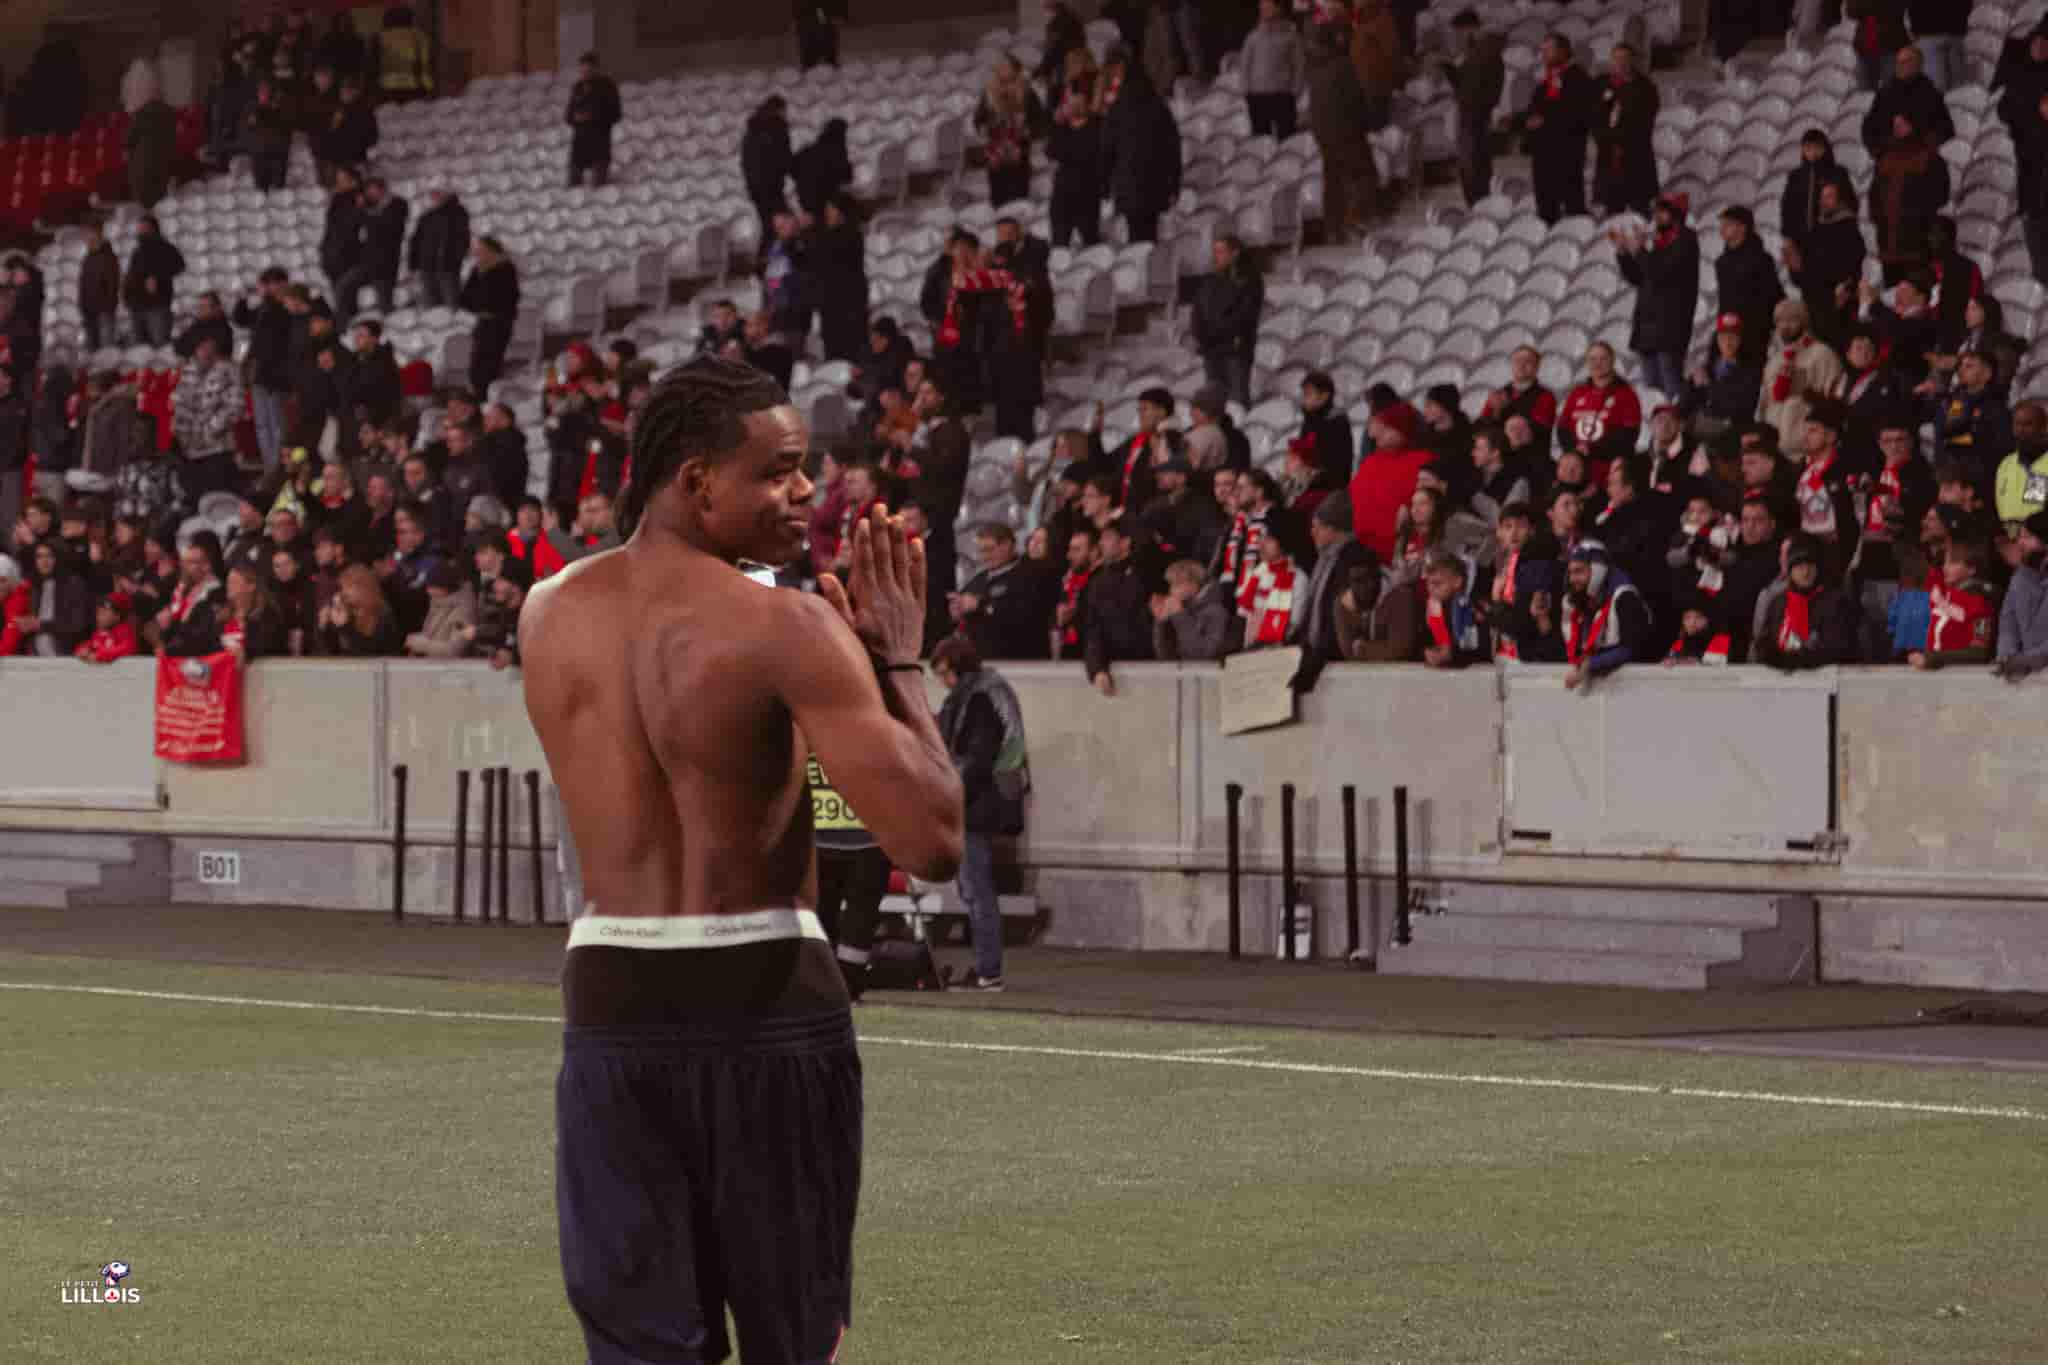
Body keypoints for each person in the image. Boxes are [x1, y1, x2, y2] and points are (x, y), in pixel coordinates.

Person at [520, 355, 962, 1365]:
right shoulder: (786, 625)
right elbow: (931, 840)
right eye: (780, 471)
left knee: (638, 1349)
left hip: (611, 997)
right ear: (694, 482)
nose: (806, 493)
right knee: (790, 1342)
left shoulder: (548, 613)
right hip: (763, 998)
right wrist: (897, 655)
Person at [930, 635, 1027, 991]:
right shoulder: (979, 694)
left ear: (958, 668)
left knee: (977, 890)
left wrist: (949, 790)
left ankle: (989, 971)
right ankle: (986, 969)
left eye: (944, 673)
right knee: (974, 890)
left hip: (976, 805)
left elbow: (978, 758)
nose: (943, 681)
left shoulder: (980, 699)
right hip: (978, 803)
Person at [1615, 193, 1699, 401]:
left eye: (1662, 211)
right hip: (1647, 327)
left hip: (1670, 328)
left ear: (1676, 214)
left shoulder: (1686, 240)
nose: (1656, 216)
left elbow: (1660, 273)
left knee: (1671, 389)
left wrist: (1640, 250)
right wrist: (1624, 253)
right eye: (1656, 211)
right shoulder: (1658, 241)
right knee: (1651, 393)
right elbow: (1638, 278)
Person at [1306, 24, 1377, 245]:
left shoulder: (1314, 69)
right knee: (1363, 175)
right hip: (1348, 132)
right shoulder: (1342, 65)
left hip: (1325, 135)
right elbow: (1355, 100)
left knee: (1333, 180)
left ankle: (1333, 229)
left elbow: (1314, 109)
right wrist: (1366, 125)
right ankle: (1355, 220)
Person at [1100, 59, 1183, 244]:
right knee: (1150, 234)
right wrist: (1175, 185)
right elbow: (1173, 149)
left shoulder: (1118, 109)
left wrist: (1105, 186)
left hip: (1128, 186)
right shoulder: (1159, 107)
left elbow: (1107, 151)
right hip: (1155, 186)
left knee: (1135, 236)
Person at [1520, 33, 1595, 225]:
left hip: (1567, 153)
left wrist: (1544, 121)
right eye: (1542, 50)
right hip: (1544, 154)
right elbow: (1535, 110)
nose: (1543, 55)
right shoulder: (1545, 82)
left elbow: (1577, 114)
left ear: (1562, 51)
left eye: (1548, 50)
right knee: (1546, 210)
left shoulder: (1579, 78)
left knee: (1573, 207)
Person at [1190, 236, 1263, 408]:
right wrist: (1201, 335)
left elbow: (1245, 317)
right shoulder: (1208, 281)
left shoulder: (1250, 280)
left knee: (1236, 400)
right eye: (1214, 252)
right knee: (1212, 402)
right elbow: (1197, 312)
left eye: (1220, 251)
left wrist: (1215, 332)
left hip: (1235, 350)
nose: (1216, 256)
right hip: (1210, 349)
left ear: (1235, 253)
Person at [1443, 9, 1506, 206]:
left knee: (1473, 164)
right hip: (1473, 113)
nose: (1457, 38)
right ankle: (1477, 202)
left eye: (1458, 33)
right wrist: (1449, 70)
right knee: (1474, 163)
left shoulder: (1484, 51)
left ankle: (1478, 204)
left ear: (1468, 29)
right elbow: (1464, 83)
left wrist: (1479, 104)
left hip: (1475, 114)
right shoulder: (1476, 51)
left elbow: (1476, 86)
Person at [1593, 43, 1660, 218]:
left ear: (1633, 61)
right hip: (1609, 158)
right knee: (1612, 211)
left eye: (1625, 59)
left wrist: (1620, 139)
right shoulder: (1602, 85)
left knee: (1641, 209)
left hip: (1635, 158)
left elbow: (1644, 123)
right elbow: (1595, 118)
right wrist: (1605, 138)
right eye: (1616, 59)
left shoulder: (1645, 88)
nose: (1620, 63)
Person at [1046, 56, 1106, 248]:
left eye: (1073, 97)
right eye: (1067, 98)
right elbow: (1051, 152)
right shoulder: (1061, 126)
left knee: (1091, 242)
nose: (1069, 102)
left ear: (1086, 101)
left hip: (1087, 194)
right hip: (1062, 195)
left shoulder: (1097, 127)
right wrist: (1058, 125)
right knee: (1059, 244)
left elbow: (1090, 155)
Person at [974, 57, 1048, 208]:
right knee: (998, 200)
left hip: (1018, 154)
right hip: (995, 155)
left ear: (1016, 71)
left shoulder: (1027, 93)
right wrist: (984, 128)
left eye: (1005, 67)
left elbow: (1040, 122)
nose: (1002, 71)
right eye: (1000, 68)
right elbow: (978, 119)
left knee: (1018, 200)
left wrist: (1027, 130)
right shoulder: (988, 93)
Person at [459, 237, 520, 396]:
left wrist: (483, 303)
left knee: (490, 364)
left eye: (481, 249)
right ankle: (477, 395)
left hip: (500, 323)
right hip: (483, 322)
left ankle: (487, 396)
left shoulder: (506, 269)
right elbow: (465, 297)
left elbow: (507, 299)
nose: (477, 252)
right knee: (477, 365)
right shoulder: (477, 270)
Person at [1994, 511, 2048, 679]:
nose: (2019, 543)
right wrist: (2006, 655)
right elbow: (2008, 622)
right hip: (2027, 674)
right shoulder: (2020, 578)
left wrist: (2027, 660)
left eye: (2027, 537)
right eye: (2020, 537)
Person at [1242, 0, 1304, 141]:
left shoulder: (1291, 35)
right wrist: (1247, 90)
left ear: (1278, 8)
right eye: (1262, 6)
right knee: (1260, 139)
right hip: (1257, 95)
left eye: (1268, 6)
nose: (1263, 9)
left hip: (1283, 94)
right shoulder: (1253, 37)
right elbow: (1245, 65)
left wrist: (1295, 90)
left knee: (1288, 138)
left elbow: (1299, 65)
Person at [408, 190, 471, 309]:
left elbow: (463, 239)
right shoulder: (426, 217)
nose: (435, 197)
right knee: (430, 308)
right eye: (433, 194)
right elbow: (415, 242)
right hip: (426, 268)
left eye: (438, 193)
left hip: (448, 268)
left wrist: (455, 258)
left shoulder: (458, 213)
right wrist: (413, 265)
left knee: (452, 306)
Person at [80, 227, 122, 352]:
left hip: (104, 307)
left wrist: (109, 303)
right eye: (88, 240)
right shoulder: (87, 259)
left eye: (93, 240)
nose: (90, 243)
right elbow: (83, 284)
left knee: (106, 344)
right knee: (91, 345)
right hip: (88, 308)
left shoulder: (109, 257)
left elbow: (112, 283)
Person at [796, 0, 847, 71]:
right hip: (808, 21)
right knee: (809, 36)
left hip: (824, 17)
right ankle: (809, 62)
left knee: (829, 35)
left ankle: (829, 60)